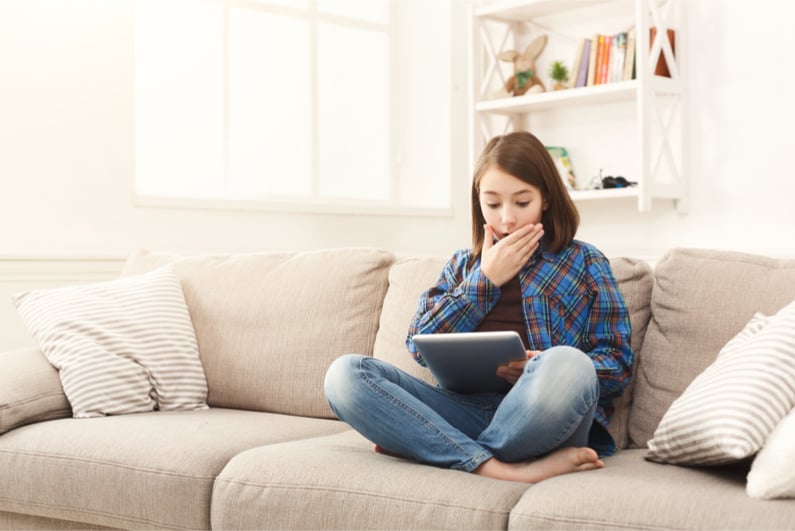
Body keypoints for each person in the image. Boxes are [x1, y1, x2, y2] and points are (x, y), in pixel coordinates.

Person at [324, 131, 633, 483]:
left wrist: (540, 365)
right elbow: (418, 344)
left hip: (543, 414)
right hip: (464, 411)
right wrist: (483, 282)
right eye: (493, 204)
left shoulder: (585, 261)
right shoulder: (462, 266)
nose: (507, 219)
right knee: (345, 375)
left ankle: (434, 446)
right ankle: (497, 467)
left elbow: (618, 365)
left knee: (569, 363)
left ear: (545, 198)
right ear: (479, 203)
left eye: (521, 202)